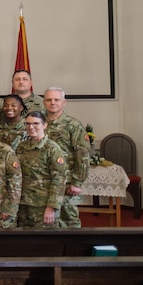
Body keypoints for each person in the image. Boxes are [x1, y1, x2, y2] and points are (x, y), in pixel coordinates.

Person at [43, 87, 90, 229]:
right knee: (46, 221)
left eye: (56, 99)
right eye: (49, 99)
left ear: (64, 102)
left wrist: (77, 182)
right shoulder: (38, 122)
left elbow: (82, 156)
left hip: (67, 181)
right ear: (44, 102)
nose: (52, 103)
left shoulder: (73, 125)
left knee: (69, 220)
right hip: (44, 181)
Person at [16, 111, 68, 229]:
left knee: (45, 242)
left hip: (42, 205)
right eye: (28, 124)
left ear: (44, 125)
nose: (31, 127)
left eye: (36, 123)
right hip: (23, 204)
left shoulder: (52, 149)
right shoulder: (21, 147)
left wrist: (51, 207)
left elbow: (59, 180)